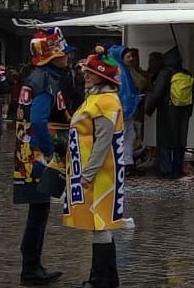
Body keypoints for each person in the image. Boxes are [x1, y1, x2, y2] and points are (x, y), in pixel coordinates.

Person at [63, 52, 126, 288]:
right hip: (96, 171)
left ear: (101, 77)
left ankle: (100, 279)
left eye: (90, 72)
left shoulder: (106, 101)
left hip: (101, 174)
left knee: (99, 222)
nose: (85, 75)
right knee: (99, 223)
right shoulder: (97, 98)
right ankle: (107, 278)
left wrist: (87, 174)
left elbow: (103, 141)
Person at [14, 33, 73, 287]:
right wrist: (50, 150)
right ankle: (30, 269)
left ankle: (34, 265)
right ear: (52, 55)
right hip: (38, 155)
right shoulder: (45, 78)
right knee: (38, 212)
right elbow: (38, 119)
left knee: (40, 211)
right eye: (63, 53)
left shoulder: (39, 76)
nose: (67, 57)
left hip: (31, 153)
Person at [144, 50, 193, 179]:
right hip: (183, 112)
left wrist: (147, 108)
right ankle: (177, 170)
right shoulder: (186, 73)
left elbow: (157, 93)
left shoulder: (165, 73)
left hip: (167, 111)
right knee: (179, 142)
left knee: (165, 141)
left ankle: (166, 171)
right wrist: (189, 113)